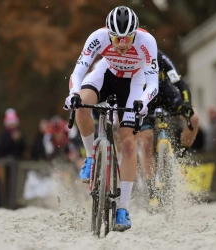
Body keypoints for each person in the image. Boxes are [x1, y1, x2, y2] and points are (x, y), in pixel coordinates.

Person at [63, 6, 159, 231]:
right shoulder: (97, 37)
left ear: (135, 34)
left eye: (127, 39)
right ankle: (90, 158)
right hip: (106, 73)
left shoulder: (147, 42)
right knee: (82, 107)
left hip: (134, 83)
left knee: (128, 142)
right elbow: (78, 72)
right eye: (117, 39)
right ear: (109, 33)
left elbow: (153, 83)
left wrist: (143, 102)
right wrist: (73, 94)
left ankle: (123, 208)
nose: (123, 44)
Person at [137, 50, 199, 207]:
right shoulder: (132, 57)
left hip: (166, 96)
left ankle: (181, 156)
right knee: (146, 142)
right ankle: (152, 190)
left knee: (194, 117)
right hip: (143, 101)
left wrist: (186, 103)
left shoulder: (160, 57)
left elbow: (180, 83)